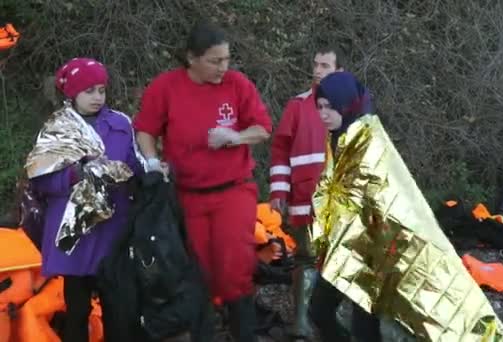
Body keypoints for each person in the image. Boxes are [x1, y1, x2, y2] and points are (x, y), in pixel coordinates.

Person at [133, 21, 272, 342]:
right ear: (191, 58)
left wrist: (234, 136)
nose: (223, 67)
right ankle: (204, 332)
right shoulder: (166, 87)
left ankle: (244, 333)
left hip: (233, 190)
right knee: (197, 269)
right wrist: (153, 161)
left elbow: (263, 129)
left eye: (226, 59)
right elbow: (145, 130)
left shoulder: (237, 85)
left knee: (234, 265)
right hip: (187, 193)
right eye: (214, 60)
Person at [26, 57, 143, 342]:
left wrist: (146, 174)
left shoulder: (120, 123)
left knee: (118, 309)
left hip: (112, 228)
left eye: (101, 90)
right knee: (77, 310)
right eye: (89, 90)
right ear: (73, 93)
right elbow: (40, 179)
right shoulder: (57, 128)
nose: (97, 97)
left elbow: (135, 162)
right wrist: (75, 175)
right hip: (75, 231)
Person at [268, 45, 343, 340]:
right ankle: (301, 325)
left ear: (339, 71)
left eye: (324, 65)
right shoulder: (297, 106)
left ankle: (332, 323)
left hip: (341, 201)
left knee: (341, 259)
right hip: (304, 199)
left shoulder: (352, 107)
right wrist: (278, 190)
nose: (316, 70)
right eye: (315, 64)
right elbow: (280, 150)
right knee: (307, 257)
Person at [308, 71, 381, 341]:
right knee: (319, 311)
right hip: (340, 244)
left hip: (369, 248)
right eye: (321, 107)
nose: (324, 114)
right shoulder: (338, 136)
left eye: (331, 106)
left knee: (365, 327)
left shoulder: (369, 140)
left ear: (347, 104)